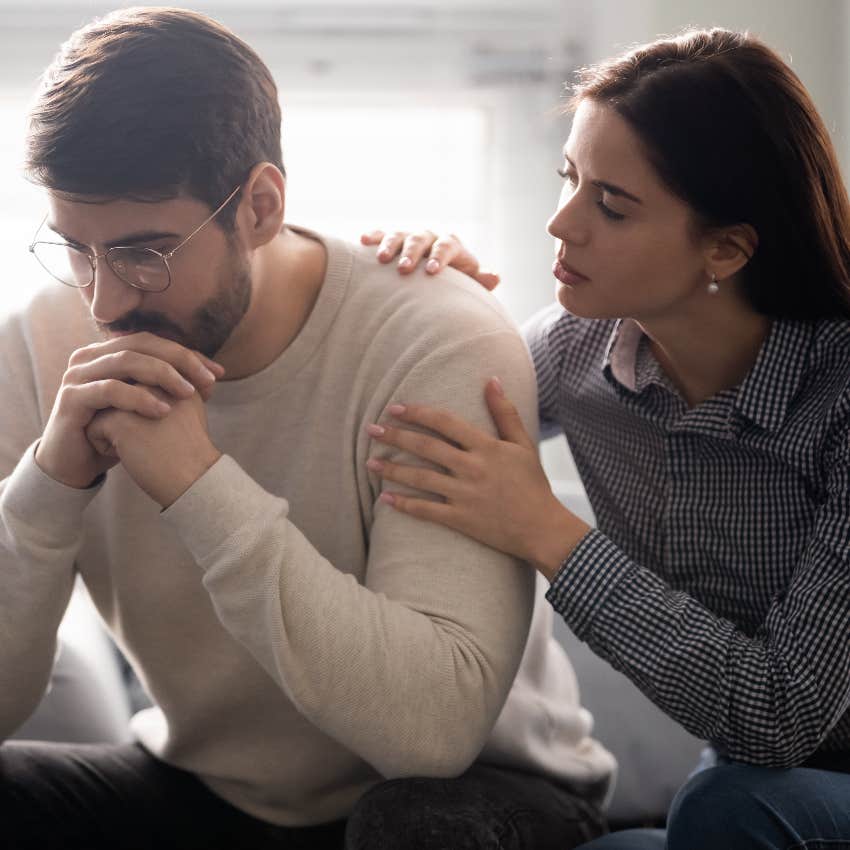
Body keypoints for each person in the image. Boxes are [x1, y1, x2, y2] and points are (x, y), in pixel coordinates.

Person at [0, 7, 616, 849]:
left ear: (258, 206)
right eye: (76, 248)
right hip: (210, 790)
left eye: (146, 252)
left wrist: (199, 485)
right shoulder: (42, 340)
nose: (105, 302)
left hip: (474, 792)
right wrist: (47, 490)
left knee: (415, 827)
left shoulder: (436, 336)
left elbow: (431, 735)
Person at [362, 27, 850, 850]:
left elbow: (782, 717)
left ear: (726, 248)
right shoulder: (574, 350)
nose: (561, 223)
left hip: (763, 788)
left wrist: (546, 529)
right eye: (569, 178)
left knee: (724, 811)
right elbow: (411, 419)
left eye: (610, 205)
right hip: (737, 789)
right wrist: (435, 300)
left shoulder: (837, 396)